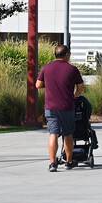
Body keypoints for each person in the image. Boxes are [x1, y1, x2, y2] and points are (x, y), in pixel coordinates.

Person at [35, 44, 85, 172]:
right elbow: (80, 88)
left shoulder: (46, 68)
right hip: (67, 106)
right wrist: (74, 95)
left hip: (51, 107)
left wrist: (51, 85)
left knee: (53, 133)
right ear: (67, 55)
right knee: (68, 134)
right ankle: (68, 162)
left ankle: (53, 163)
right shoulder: (72, 69)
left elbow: (38, 85)